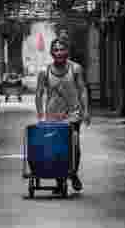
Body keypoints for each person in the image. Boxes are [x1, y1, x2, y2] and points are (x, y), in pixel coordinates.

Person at [34, 37, 91, 191]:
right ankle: (60, 182)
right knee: (56, 149)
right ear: (51, 52)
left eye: (62, 49)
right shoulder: (44, 72)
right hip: (53, 116)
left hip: (73, 114)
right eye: (56, 49)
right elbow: (39, 94)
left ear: (67, 51)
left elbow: (82, 90)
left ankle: (73, 173)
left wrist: (86, 111)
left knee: (74, 146)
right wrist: (40, 115)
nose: (59, 52)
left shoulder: (76, 69)